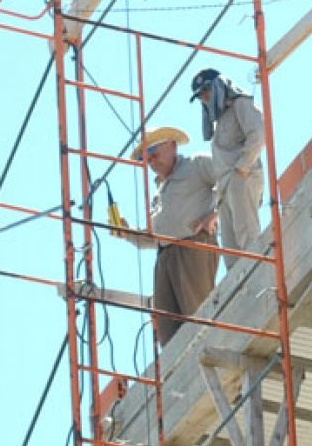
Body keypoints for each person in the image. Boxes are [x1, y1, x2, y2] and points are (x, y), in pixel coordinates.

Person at [111, 127, 224, 346]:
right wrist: (127, 232)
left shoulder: (196, 164)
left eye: (154, 150)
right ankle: (179, 373)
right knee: (168, 326)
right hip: (166, 255)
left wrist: (214, 214)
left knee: (197, 315)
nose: (151, 160)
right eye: (146, 157)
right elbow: (155, 237)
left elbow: (231, 179)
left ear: (172, 145)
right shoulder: (159, 191)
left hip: (193, 247)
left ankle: (207, 354)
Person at [191, 68, 265, 254]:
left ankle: (261, 277)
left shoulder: (240, 104)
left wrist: (243, 167)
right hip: (225, 187)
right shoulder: (220, 121)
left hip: (241, 177)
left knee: (248, 237)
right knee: (232, 252)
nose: (205, 98)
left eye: (207, 91)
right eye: (200, 96)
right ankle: (244, 283)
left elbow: (258, 134)